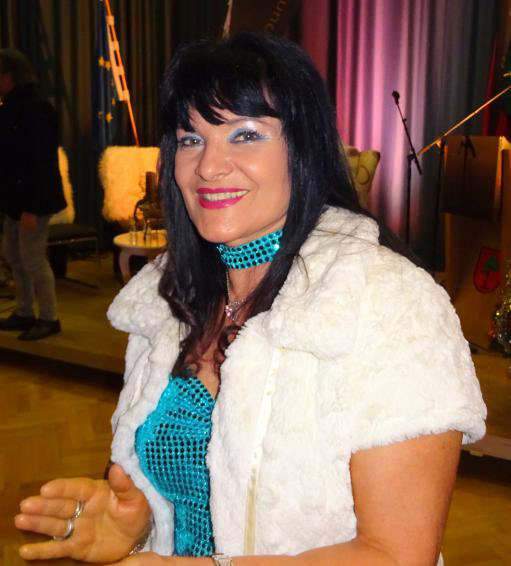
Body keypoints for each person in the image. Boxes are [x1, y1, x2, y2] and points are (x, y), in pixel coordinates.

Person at [15, 32, 486, 565]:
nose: (208, 166)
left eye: (245, 134)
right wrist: (139, 527)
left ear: (303, 149)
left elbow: (397, 556)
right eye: (190, 139)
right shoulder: (168, 300)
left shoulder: (389, 302)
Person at [0, 48, 65, 340]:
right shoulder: (10, 108)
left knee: (33, 259)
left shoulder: (37, 109)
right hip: (15, 201)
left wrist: (31, 208)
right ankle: (24, 311)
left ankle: (49, 318)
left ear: (10, 76)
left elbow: (40, 163)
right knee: (13, 255)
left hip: (33, 201)